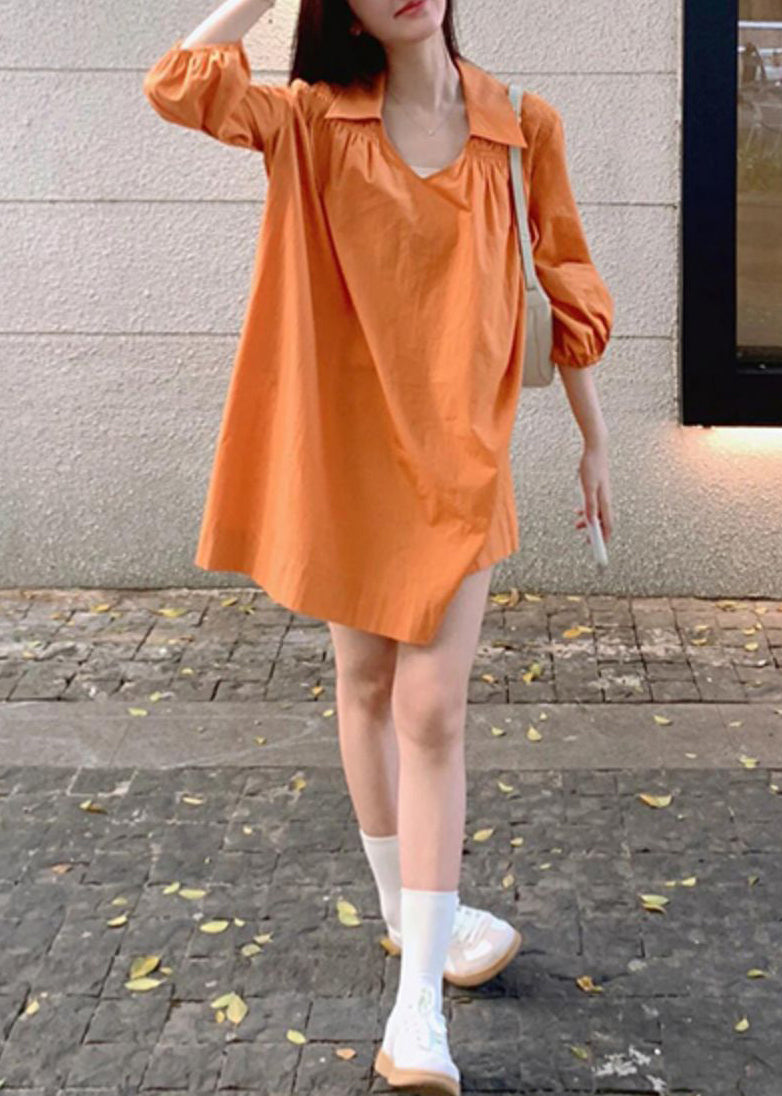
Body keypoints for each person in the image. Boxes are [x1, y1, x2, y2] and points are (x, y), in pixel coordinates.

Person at [143, 1, 614, 1092]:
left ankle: (416, 1017)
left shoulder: (520, 125)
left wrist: (595, 444)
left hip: (459, 464)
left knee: (431, 709)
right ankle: (414, 919)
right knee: (362, 684)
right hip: (347, 452)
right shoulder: (311, 119)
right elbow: (175, 82)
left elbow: (562, 281)